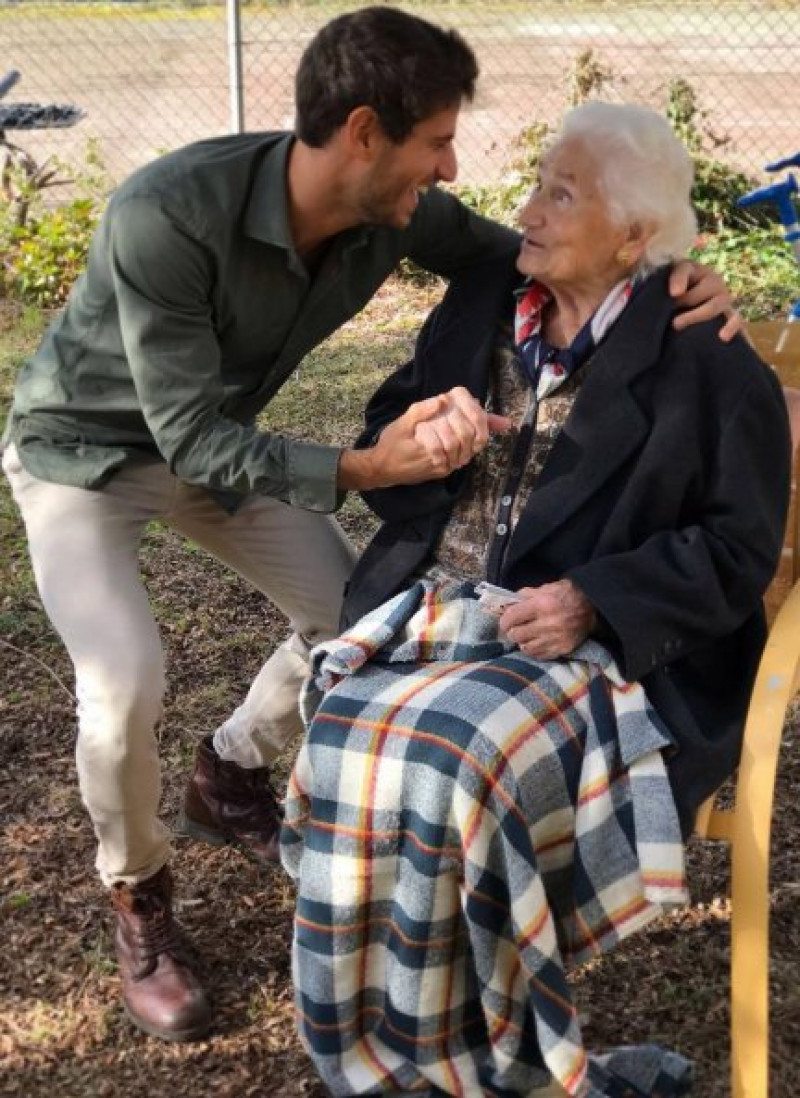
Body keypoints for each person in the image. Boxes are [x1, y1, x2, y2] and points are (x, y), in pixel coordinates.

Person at [2, 8, 737, 1043]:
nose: (447, 166)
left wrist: (662, 268)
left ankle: (231, 767)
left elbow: (519, 254)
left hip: (220, 445)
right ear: (361, 133)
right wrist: (360, 464)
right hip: (84, 457)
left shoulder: (393, 210)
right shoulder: (164, 215)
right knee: (121, 684)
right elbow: (190, 439)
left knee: (353, 614)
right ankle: (139, 901)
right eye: (435, 140)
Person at [280, 101, 791, 1098]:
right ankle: (401, 1058)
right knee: (341, 733)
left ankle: (480, 1067)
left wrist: (592, 599)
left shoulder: (704, 354)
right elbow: (389, 416)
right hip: (437, 611)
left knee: (451, 767)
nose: (526, 210)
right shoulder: (480, 304)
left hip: (600, 655)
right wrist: (419, 432)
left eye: (561, 193)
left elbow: (735, 548)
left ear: (636, 236)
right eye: (535, 184)